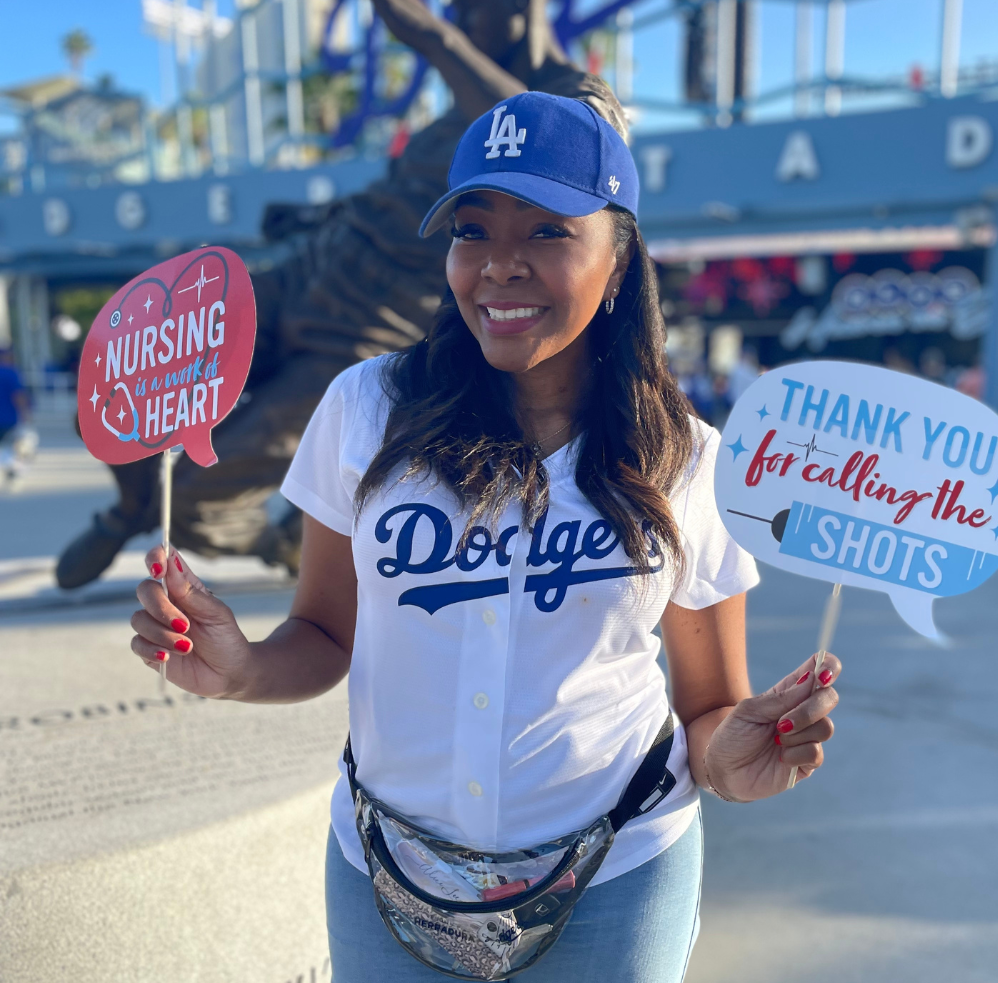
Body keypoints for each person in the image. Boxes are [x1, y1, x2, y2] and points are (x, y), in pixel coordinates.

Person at [128, 95, 840, 983]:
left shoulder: (686, 459)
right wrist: (241, 667)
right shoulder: (366, 412)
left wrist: (734, 761)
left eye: (547, 231)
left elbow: (710, 710)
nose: (500, 263)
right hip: (393, 873)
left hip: (617, 877)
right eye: (473, 231)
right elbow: (323, 637)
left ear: (620, 254)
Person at [56, 0, 626, 589]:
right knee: (126, 365)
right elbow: (399, 199)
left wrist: (430, 38)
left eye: (472, 9)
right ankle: (134, 508)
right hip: (315, 269)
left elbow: (551, 140)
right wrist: (315, 216)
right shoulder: (453, 108)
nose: (461, 22)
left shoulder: (580, 98)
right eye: (451, 13)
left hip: (372, 321)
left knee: (199, 496)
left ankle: (281, 539)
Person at [0, 348, 31, 484]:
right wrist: (25, 414)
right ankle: (11, 469)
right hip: (8, 418)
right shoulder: (11, 373)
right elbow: (18, 396)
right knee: (10, 445)